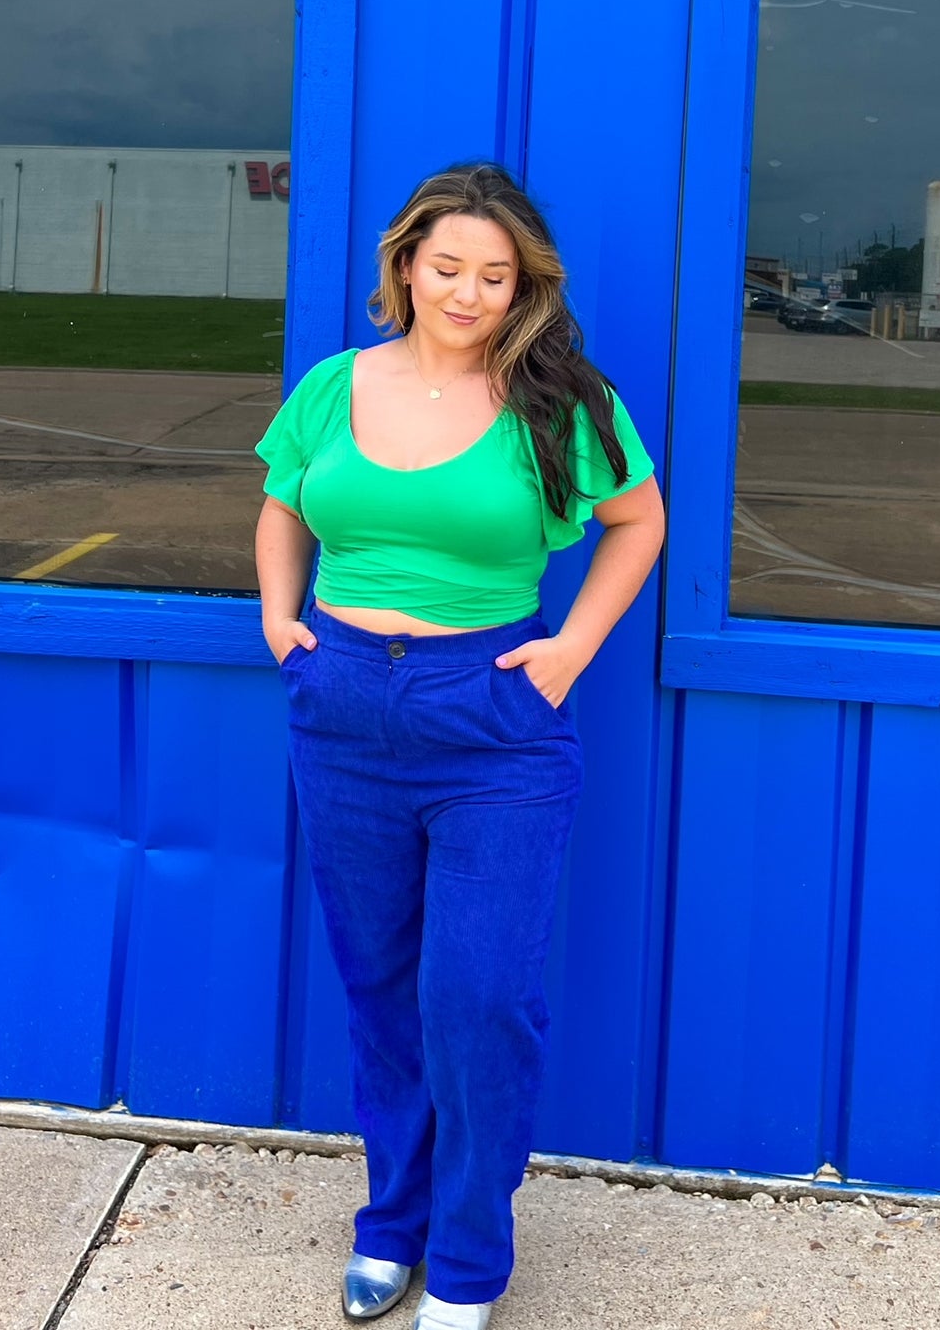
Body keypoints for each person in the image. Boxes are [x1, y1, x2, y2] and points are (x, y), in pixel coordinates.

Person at [254, 162, 665, 1330]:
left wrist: (570, 648)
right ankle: (392, 1222)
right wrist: (280, 619)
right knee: (381, 987)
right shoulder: (333, 384)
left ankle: (471, 1253)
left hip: (490, 720)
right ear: (405, 265)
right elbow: (282, 503)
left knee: (476, 993)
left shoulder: (560, 397)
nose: (468, 292)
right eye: (447, 267)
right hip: (342, 706)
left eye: (495, 274)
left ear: (523, 284)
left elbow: (638, 519)